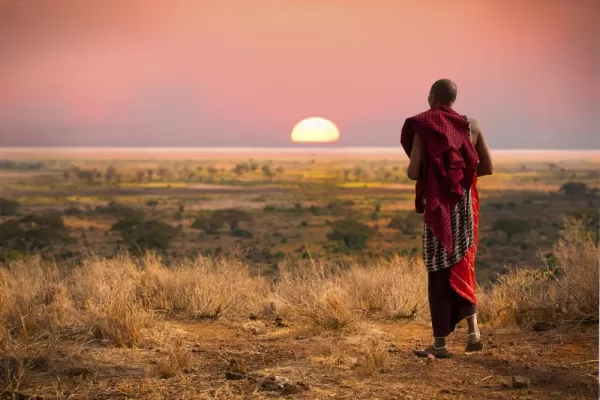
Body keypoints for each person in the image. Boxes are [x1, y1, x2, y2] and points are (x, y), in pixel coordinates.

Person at [400, 79, 493, 358]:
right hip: (462, 206)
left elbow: (413, 172)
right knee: (463, 264)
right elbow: (487, 167)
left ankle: (440, 345)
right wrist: (459, 177)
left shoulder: (423, 126)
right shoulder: (471, 126)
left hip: (438, 209)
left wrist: (435, 175)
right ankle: (473, 333)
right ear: (453, 99)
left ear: (432, 97)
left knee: (439, 273)